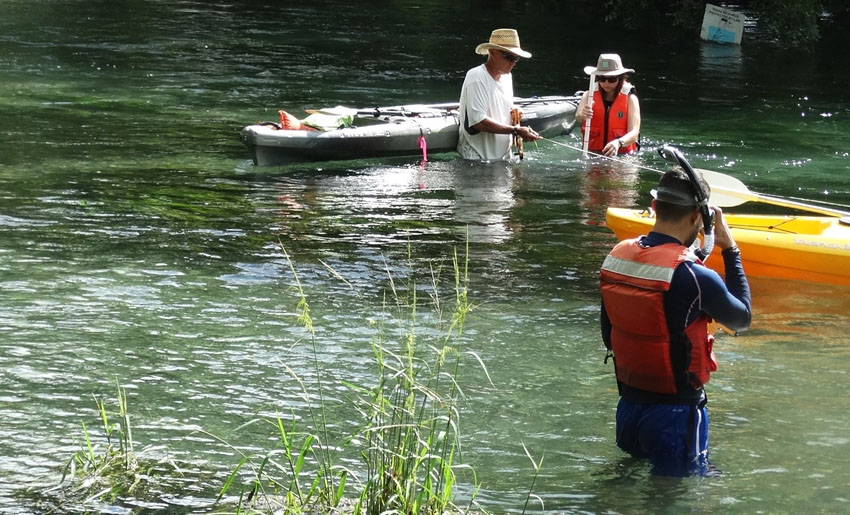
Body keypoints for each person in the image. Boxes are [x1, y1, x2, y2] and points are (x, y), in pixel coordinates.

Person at [599, 168, 752, 476]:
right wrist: (730, 249)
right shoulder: (695, 277)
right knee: (677, 498)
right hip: (676, 415)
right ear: (699, 217)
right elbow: (741, 320)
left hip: (628, 409)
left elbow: (608, 335)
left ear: (654, 207)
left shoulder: (616, 257)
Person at [457, 28, 542, 161]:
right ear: (492, 52)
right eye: (508, 57)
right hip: (477, 157)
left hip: (503, 157)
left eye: (516, 58)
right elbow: (479, 122)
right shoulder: (476, 76)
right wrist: (516, 130)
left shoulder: (507, 77)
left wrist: (515, 112)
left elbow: (502, 107)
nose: (513, 63)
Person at [576, 53, 641, 157]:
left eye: (611, 79)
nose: (606, 83)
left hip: (623, 155)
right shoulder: (589, 95)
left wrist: (618, 143)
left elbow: (634, 133)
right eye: (602, 78)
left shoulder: (630, 98)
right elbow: (578, 118)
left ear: (620, 78)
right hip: (592, 153)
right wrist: (583, 114)